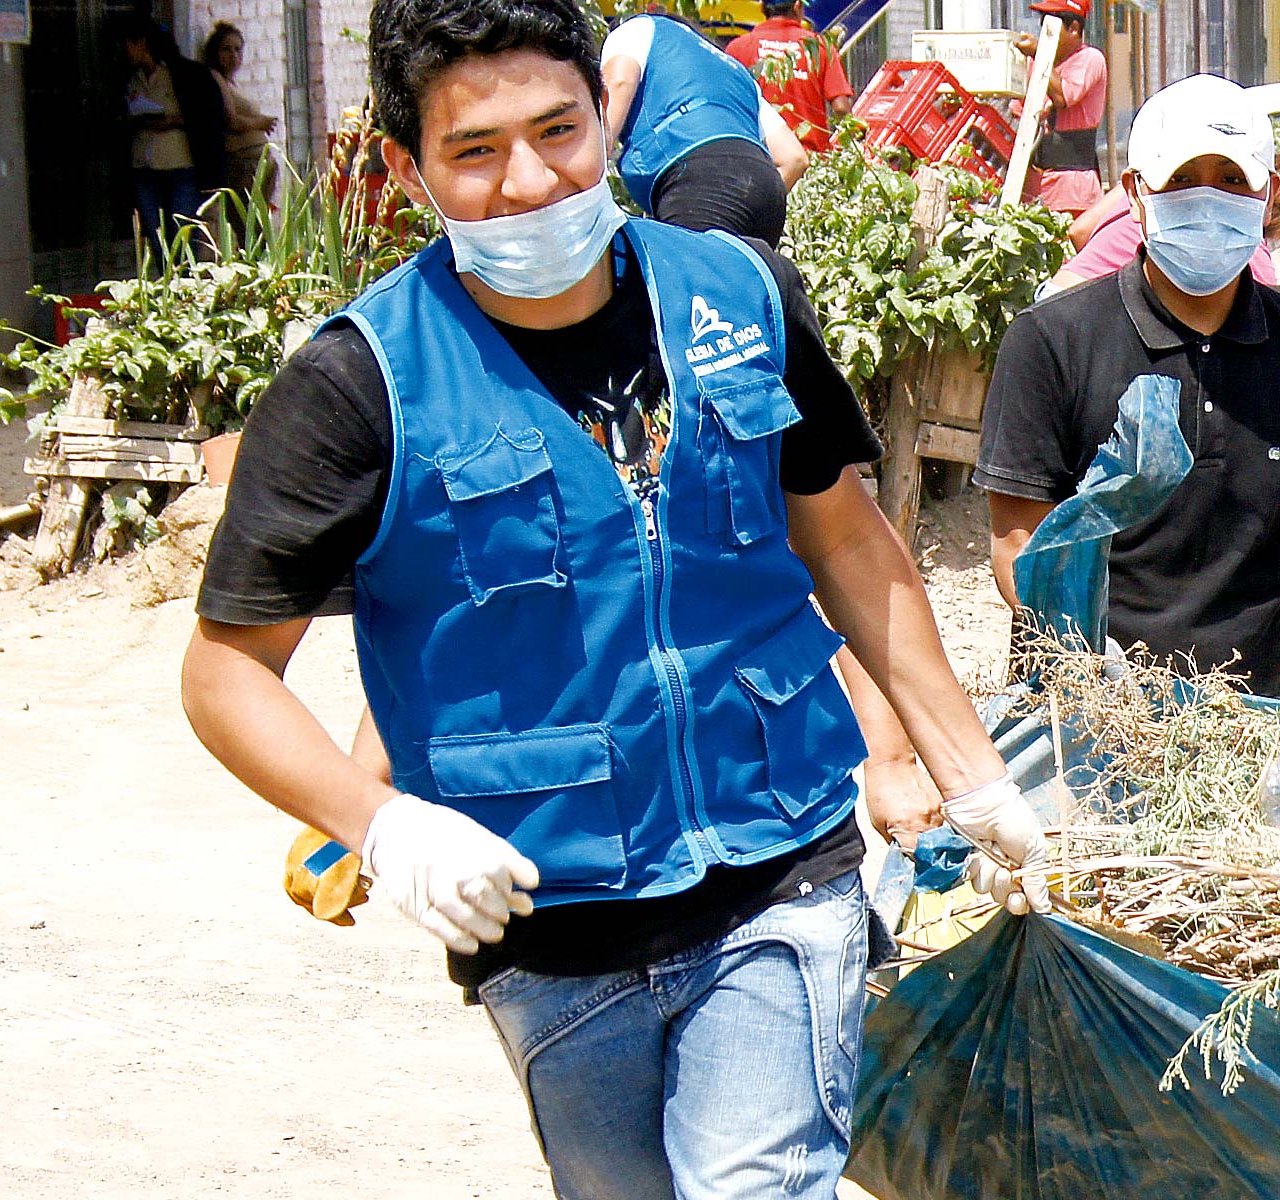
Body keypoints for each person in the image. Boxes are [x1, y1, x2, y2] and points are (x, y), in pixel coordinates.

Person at [177, 3, 1047, 1194]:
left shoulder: (737, 299)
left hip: (781, 872)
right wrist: (378, 823)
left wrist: (972, 774)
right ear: (404, 168)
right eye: (475, 151)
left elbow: (849, 541)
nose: (531, 181)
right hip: (550, 936)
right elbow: (224, 672)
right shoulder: (359, 383)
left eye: (560, 130)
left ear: (606, 117)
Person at [980, 74, 1280, 704]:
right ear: (1136, 193)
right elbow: (1019, 539)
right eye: (1183, 180)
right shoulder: (1052, 340)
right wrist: (1081, 652)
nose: (1209, 200)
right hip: (1086, 708)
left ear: (1267, 199)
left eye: (1234, 180)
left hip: (1248, 709)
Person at [601, 11, 808, 241]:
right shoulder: (732, 68)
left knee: (684, 275)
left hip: (698, 179)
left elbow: (618, 82)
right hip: (766, 193)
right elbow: (794, 158)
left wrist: (591, 162)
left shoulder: (635, 28)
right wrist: (742, 196)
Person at [1039, 153, 1280, 295]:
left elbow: (1079, 231)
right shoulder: (1241, 245)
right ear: (1273, 201)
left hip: (1055, 293)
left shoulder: (1146, 187)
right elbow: (1266, 315)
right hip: (1090, 321)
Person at [120, 23, 230, 247]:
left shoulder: (185, 74)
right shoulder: (133, 79)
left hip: (180, 167)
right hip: (145, 168)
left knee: (183, 237)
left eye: (129, 44)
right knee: (156, 238)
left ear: (141, 44)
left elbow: (209, 115)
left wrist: (172, 121)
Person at [725, 0, 858, 140]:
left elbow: (727, 103)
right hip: (810, 156)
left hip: (758, 153)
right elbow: (841, 108)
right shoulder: (820, 47)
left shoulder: (737, 48)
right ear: (797, 6)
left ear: (761, 6)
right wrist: (856, 136)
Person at [1027, 14, 1110, 214]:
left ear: (1073, 29)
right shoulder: (1037, 63)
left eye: (1052, 28)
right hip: (1036, 181)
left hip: (1071, 186)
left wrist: (1039, 55)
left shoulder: (1089, 58)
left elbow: (1063, 96)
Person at [202, 23, 282, 200]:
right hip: (243, 162)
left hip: (259, 159)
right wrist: (261, 123)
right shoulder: (215, 78)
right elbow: (231, 120)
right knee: (245, 221)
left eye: (238, 50)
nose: (233, 56)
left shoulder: (232, 83)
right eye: (226, 49)